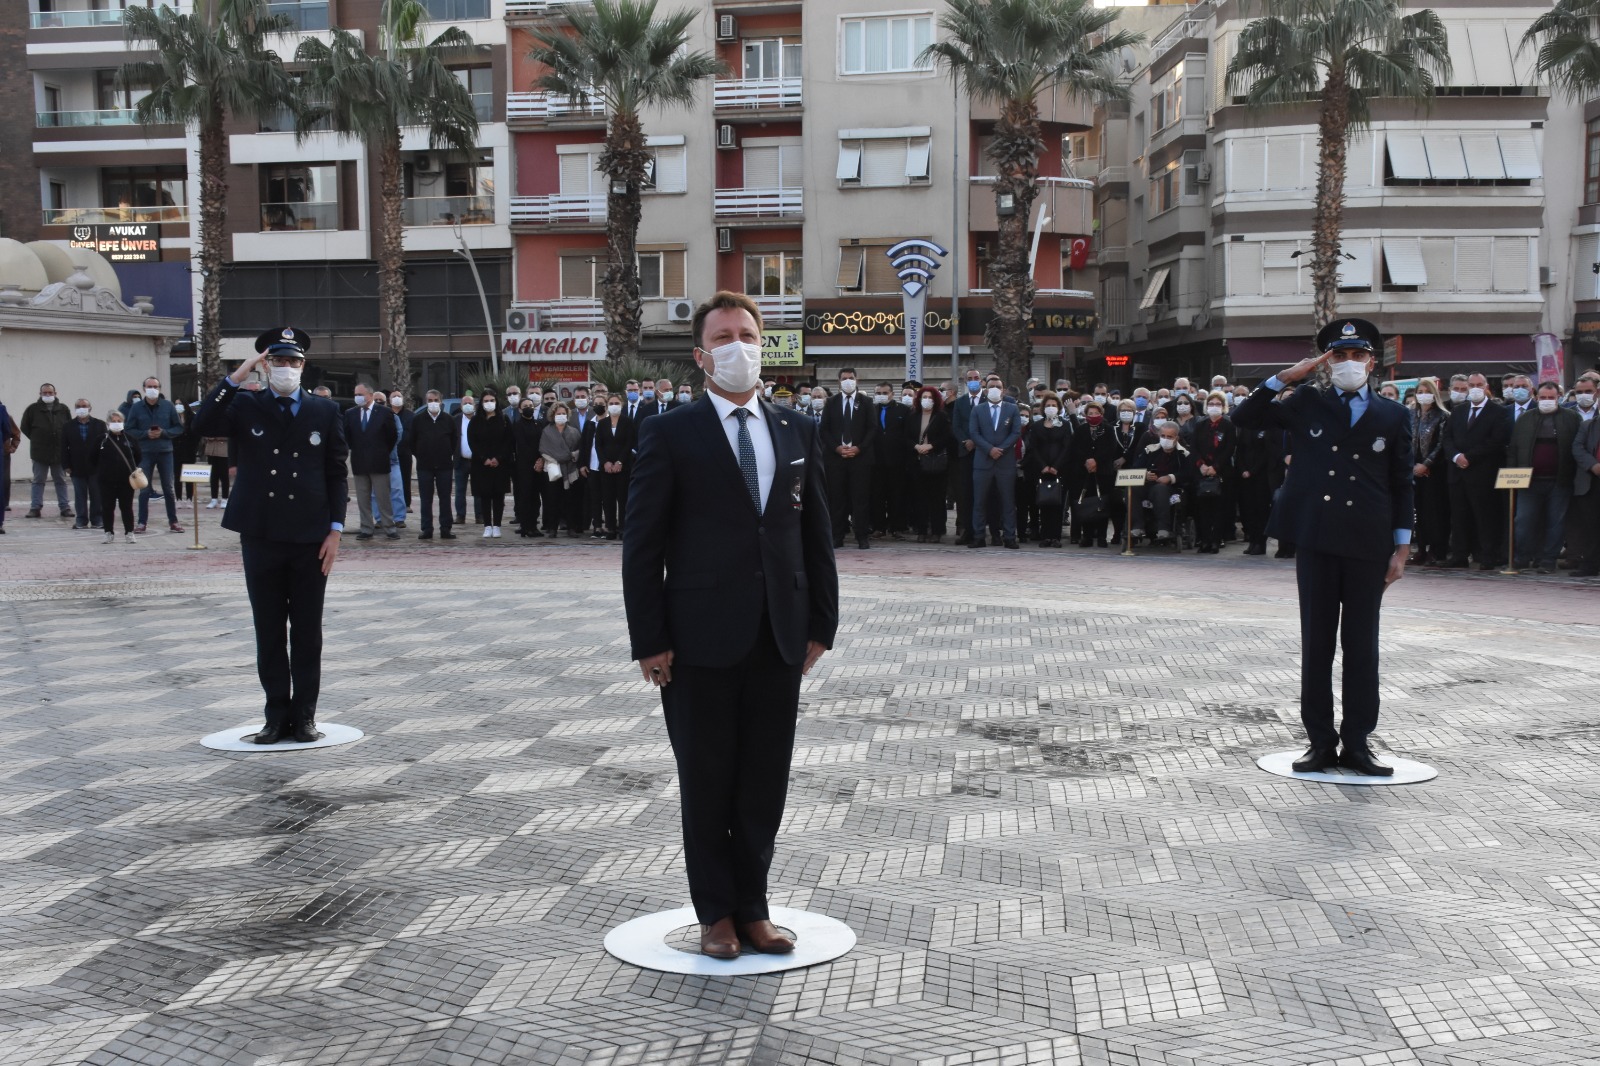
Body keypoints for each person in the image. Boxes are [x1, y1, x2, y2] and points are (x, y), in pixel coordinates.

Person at [622, 291, 838, 960]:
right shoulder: (669, 432)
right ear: (701, 354)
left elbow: (814, 532)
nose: (738, 346)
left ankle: (753, 908)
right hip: (697, 638)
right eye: (724, 337)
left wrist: (822, 624)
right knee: (708, 777)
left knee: (763, 780)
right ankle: (714, 914)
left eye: (747, 333)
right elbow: (642, 543)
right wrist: (649, 639)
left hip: (779, 632)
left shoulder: (795, 429)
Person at [1232, 318, 1413, 776]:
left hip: (1367, 541)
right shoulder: (1307, 401)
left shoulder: (1394, 415)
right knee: (1317, 643)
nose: (1349, 363)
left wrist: (1402, 548)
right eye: (1339, 355)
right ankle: (1319, 741)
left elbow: (1401, 483)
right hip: (1316, 536)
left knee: (1361, 644)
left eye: (1357, 356)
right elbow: (1244, 417)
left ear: (1372, 362)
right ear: (1326, 361)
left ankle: (1358, 743)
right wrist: (1286, 378)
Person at [191, 327, 349, 745]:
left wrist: (336, 530)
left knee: (308, 631)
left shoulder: (324, 411)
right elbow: (201, 423)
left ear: (303, 366)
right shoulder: (246, 404)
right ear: (266, 365)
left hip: (311, 535)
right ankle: (276, 715)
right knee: (269, 629)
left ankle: (306, 716)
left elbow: (336, 473)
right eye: (278, 361)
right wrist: (237, 375)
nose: (286, 369)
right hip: (261, 533)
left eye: (294, 362)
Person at [1440, 372, 1511, 569]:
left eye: (1479, 384)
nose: (1475, 388)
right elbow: (1447, 438)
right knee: (1459, 517)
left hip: (1483, 474)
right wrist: (1456, 456)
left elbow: (1496, 441)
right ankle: (1459, 556)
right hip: (1458, 473)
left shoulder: (1498, 412)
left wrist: (1469, 457)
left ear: (1486, 386)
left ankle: (1487, 556)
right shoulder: (1459, 411)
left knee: (1485, 517)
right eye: (1472, 385)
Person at [1508, 382, 1580, 573]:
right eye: (1543, 397)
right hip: (1528, 481)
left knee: (1555, 523)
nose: (1547, 401)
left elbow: (1577, 447)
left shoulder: (1572, 418)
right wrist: (1512, 475)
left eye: (1551, 397)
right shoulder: (1524, 419)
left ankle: (1548, 560)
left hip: (1560, 481)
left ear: (1559, 397)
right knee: (1523, 521)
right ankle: (1522, 557)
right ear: (1536, 396)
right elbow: (1514, 450)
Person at [819, 368, 875, 549]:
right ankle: (837, 535)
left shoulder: (866, 402)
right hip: (836, 458)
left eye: (851, 378)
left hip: (860, 458)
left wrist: (859, 448)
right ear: (839, 381)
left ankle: (862, 536)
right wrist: (836, 448)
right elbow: (824, 429)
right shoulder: (832, 402)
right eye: (844, 378)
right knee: (837, 499)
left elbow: (872, 429)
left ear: (857, 380)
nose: (848, 381)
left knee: (861, 499)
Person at [122, 377, 184, 533]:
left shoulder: (168, 406)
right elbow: (129, 429)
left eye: (155, 386)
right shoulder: (136, 408)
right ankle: (142, 522)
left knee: (169, 488)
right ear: (143, 388)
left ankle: (173, 521)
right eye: (149, 386)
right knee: (144, 488)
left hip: (165, 451)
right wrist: (145, 434)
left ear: (160, 388)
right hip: (145, 452)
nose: (152, 389)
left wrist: (164, 433)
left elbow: (178, 427)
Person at [969, 379, 1020, 549]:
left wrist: (1001, 449)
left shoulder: (1012, 409)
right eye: (991, 387)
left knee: (1007, 501)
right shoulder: (978, 410)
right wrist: (990, 449)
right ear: (985, 390)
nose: (995, 389)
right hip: (983, 461)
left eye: (998, 387)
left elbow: (1016, 432)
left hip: (1005, 462)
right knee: (979, 501)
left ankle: (1010, 536)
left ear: (1003, 391)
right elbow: (974, 433)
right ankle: (979, 536)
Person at [344, 384, 400, 541]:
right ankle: (366, 528)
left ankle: (389, 527)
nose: (358, 397)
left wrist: (382, 451)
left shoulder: (384, 412)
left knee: (383, 497)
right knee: (362, 497)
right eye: (356, 394)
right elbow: (348, 436)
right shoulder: (351, 413)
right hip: (359, 462)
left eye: (360, 394)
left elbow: (392, 436)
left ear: (369, 395)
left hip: (379, 461)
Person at [1189, 391, 1238, 554]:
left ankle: (1216, 540)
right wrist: (1201, 465)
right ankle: (1204, 541)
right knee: (1203, 509)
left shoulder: (1228, 425)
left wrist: (1215, 467)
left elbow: (1229, 448)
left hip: (1222, 472)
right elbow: (1194, 447)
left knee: (1219, 509)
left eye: (1217, 404)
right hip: (1201, 472)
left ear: (1223, 406)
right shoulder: (1200, 424)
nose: (1214, 407)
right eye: (1211, 404)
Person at [1130, 421, 1194, 546]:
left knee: (1160, 489)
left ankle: (1163, 529)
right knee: (1132, 489)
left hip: (1171, 488)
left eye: (1169, 437)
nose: (1166, 439)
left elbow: (1189, 474)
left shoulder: (1183, 454)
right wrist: (1145, 475)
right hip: (1148, 485)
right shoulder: (1150, 450)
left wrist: (1171, 477)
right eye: (1163, 436)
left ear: (1176, 438)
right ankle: (1137, 527)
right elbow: (1136, 467)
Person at [1410, 378, 1450, 566]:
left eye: (1427, 391)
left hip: (1434, 471)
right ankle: (1421, 548)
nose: (1423, 394)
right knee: (1418, 511)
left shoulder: (1442, 415)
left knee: (1434, 511)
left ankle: (1437, 550)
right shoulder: (1410, 414)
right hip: (1412, 470)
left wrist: (1426, 464)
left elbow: (1442, 444)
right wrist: (1411, 465)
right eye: (1420, 391)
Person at [20, 383, 73, 520]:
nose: (48, 395)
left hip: (59, 452)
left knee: (61, 480)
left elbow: (69, 427)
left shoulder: (63, 409)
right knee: (38, 480)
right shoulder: (33, 409)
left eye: (50, 392)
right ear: (40, 394)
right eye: (45, 393)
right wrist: (38, 438)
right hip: (40, 452)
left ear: (55, 393)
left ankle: (65, 507)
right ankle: (35, 507)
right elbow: (25, 427)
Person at [1070, 400, 1118, 547]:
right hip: (1084, 473)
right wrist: (1087, 460)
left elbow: (1111, 449)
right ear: (1085, 415)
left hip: (1103, 472)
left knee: (1101, 504)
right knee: (1086, 505)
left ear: (1101, 414)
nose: (1093, 415)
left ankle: (1102, 537)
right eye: (1090, 413)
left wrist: (1096, 460)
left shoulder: (1108, 429)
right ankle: (1087, 536)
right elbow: (1075, 448)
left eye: (1096, 413)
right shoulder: (1081, 430)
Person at [411, 390, 457, 540]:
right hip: (425, 466)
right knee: (426, 499)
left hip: (444, 466)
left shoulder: (448, 419)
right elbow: (412, 441)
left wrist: (447, 452)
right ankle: (427, 529)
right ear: (426, 402)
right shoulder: (418, 420)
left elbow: (454, 441)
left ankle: (445, 528)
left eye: (436, 400)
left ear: (441, 401)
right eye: (430, 400)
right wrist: (421, 454)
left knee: (445, 498)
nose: (433, 403)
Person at [1026, 392, 1071, 547]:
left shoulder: (1065, 425)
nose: (1051, 408)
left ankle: (1056, 537)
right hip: (1042, 470)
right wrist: (1043, 466)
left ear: (1058, 408)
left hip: (1060, 470)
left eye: (1054, 405)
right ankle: (1045, 536)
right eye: (1048, 405)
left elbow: (1067, 448)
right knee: (1044, 503)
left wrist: (1056, 466)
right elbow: (1033, 448)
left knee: (1058, 504)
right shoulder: (1037, 426)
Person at [909, 385, 952, 542]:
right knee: (919, 498)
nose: (926, 401)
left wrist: (931, 446)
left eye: (930, 398)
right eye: (923, 397)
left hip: (936, 462)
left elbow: (946, 436)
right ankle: (921, 530)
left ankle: (937, 530)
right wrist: (916, 446)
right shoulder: (913, 416)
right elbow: (905, 436)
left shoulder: (941, 416)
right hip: (917, 462)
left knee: (937, 499)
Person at [468, 388, 511, 537]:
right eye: (486, 401)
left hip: (500, 464)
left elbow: (508, 441)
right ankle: (487, 525)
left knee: (498, 495)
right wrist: (483, 458)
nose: (489, 403)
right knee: (484, 494)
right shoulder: (475, 420)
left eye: (491, 401)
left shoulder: (504, 419)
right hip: (481, 464)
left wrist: (498, 458)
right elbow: (472, 441)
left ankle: (497, 525)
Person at [870, 381, 910, 539]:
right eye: (878, 393)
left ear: (892, 394)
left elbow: (907, 435)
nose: (882, 396)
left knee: (897, 495)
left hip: (897, 461)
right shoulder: (871, 410)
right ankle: (879, 527)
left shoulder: (903, 410)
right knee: (877, 495)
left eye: (885, 393)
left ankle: (897, 528)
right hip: (876, 460)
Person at [60, 399, 105, 531]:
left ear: (90, 408)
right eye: (78, 406)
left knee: (96, 494)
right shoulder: (68, 426)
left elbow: (104, 445)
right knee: (80, 495)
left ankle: (97, 519)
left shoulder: (100, 424)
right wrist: (66, 465)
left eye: (84, 406)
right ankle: (81, 520)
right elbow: (63, 447)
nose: (81, 408)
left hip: (95, 466)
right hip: (76, 466)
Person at [539, 402, 583, 536]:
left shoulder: (574, 431)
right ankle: (552, 528)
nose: (561, 416)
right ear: (553, 415)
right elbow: (543, 449)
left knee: (570, 500)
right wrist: (556, 460)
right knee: (552, 500)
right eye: (558, 414)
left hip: (570, 470)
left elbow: (579, 449)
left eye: (563, 413)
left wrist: (572, 456)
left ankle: (571, 528)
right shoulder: (547, 431)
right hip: (553, 470)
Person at [595, 395, 635, 539]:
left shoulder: (628, 422)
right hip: (606, 468)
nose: (614, 405)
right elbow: (598, 445)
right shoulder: (602, 423)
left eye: (616, 403)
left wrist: (620, 462)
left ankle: (624, 528)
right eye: (611, 403)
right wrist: (605, 462)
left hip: (623, 467)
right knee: (608, 498)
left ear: (622, 404)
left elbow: (629, 443)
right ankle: (611, 528)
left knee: (623, 499)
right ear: (607, 405)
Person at [97, 409, 140, 544]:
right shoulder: (102, 440)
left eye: (119, 421)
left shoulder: (130, 439)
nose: (116, 424)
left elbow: (138, 455)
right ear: (108, 423)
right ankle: (108, 532)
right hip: (106, 481)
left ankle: (129, 532)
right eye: (113, 421)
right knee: (107, 507)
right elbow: (92, 458)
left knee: (126, 507)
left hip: (126, 481)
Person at [511, 394, 546, 537]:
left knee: (536, 498)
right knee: (525, 496)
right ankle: (525, 527)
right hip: (524, 466)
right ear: (519, 410)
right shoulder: (517, 426)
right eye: (525, 407)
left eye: (531, 406)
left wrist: (540, 459)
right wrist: (534, 461)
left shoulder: (538, 424)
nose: (528, 409)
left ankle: (534, 525)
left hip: (539, 465)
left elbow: (543, 443)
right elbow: (522, 446)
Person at [1571, 410, 1600, 576]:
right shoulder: (1588, 425)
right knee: (1591, 526)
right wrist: (1593, 465)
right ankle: (1590, 565)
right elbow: (1577, 447)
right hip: (1591, 481)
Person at [454, 397, 481, 526]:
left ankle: (480, 516)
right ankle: (460, 515)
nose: (468, 405)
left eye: (470, 403)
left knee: (479, 490)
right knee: (460, 490)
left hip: (477, 461)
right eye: (465, 403)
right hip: (461, 461)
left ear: (474, 406)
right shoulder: (456, 420)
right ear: (461, 406)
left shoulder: (480, 419)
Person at [203, 424, 231, 509]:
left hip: (223, 451)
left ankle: (224, 499)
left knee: (224, 476)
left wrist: (217, 436)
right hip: (211, 450)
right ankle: (214, 499)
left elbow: (230, 435)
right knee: (213, 476)